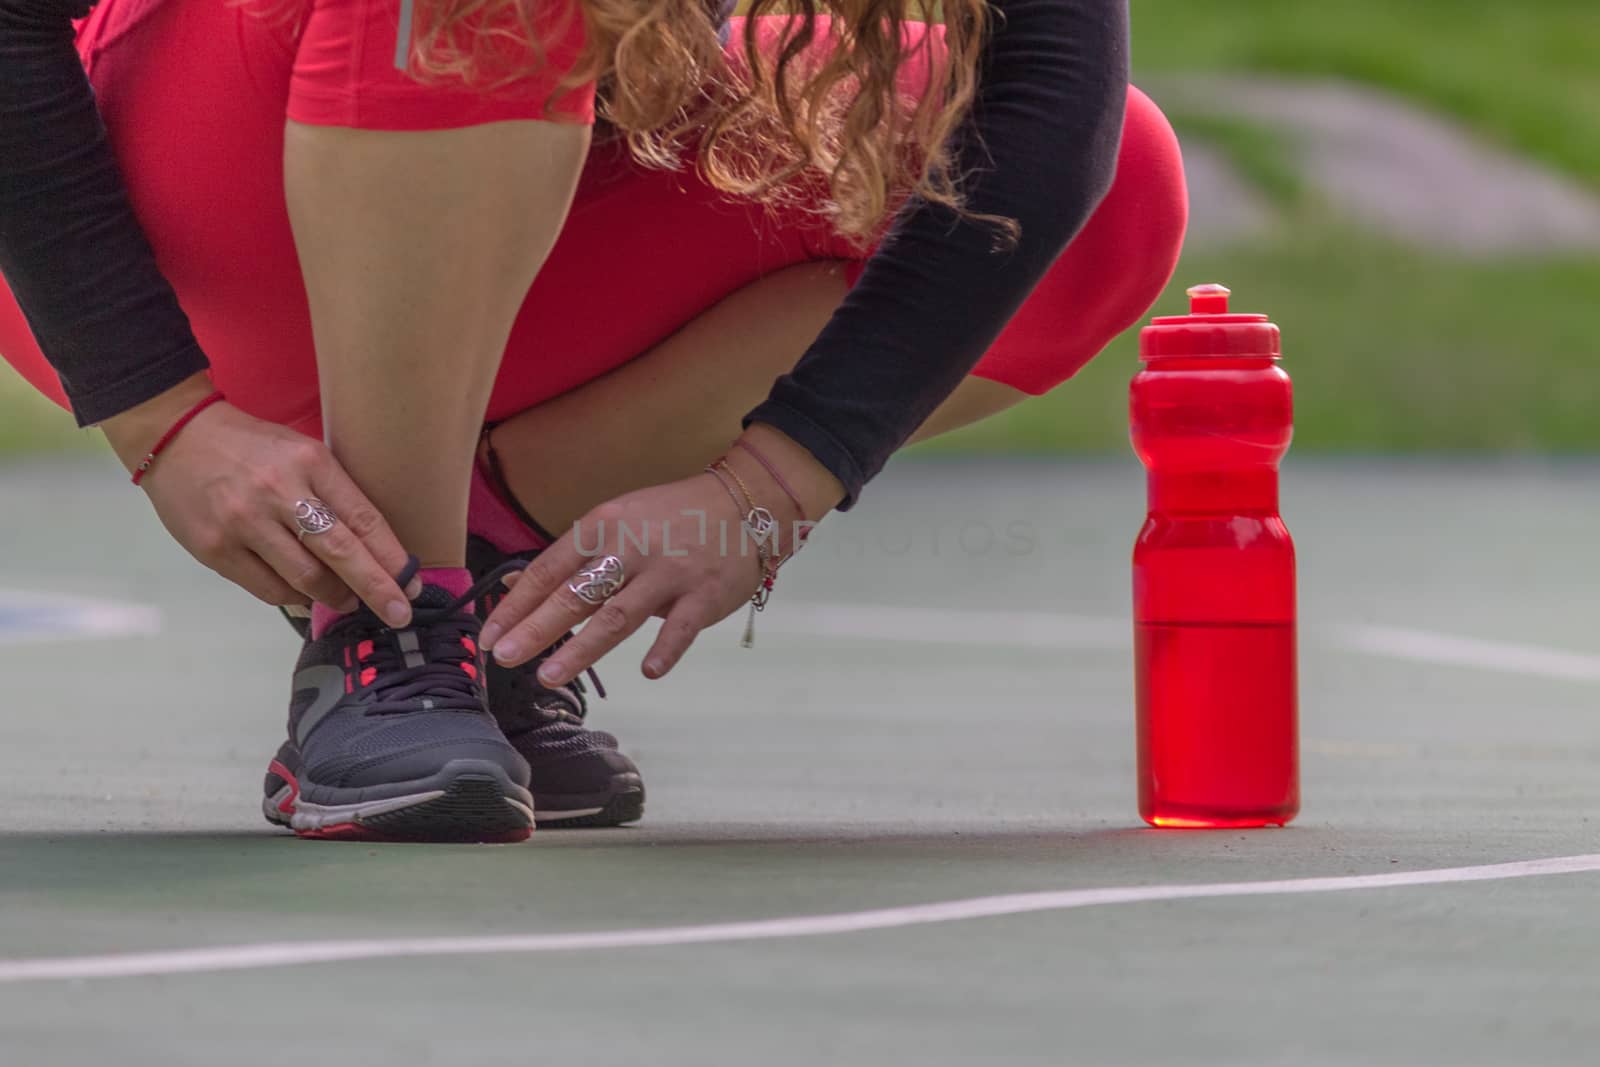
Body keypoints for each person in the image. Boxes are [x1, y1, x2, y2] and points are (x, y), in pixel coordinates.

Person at [0, 0, 1186, 842]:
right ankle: (387, 632)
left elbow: (1052, 89)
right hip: (188, 221)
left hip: (554, 151)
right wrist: (160, 414)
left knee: (1118, 179)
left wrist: (770, 482)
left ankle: (490, 585)